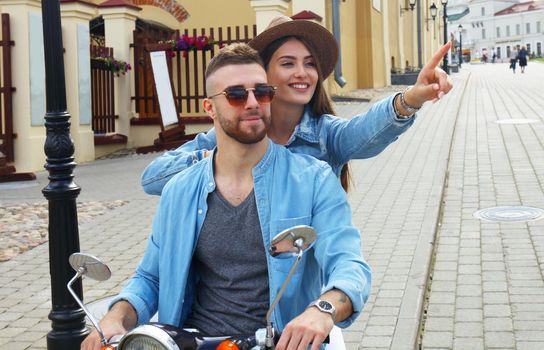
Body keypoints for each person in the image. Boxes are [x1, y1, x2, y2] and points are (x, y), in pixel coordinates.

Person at [81, 43, 371, 350]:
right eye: (235, 95)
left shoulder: (314, 180)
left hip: (278, 342)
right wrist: (117, 316)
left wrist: (322, 310)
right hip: (191, 341)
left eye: (261, 92)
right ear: (209, 108)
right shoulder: (179, 190)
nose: (252, 103)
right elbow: (151, 278)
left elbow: (350, 265)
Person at [140, 16, 453, 195]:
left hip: (306, 288)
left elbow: (366, 131)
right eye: (288, 63)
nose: (303, 74)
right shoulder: (231, 133)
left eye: (309, 64)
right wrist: (221, 158)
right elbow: (153, 179)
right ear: (263, 73)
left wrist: (411, 98)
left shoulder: (326, 136)